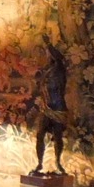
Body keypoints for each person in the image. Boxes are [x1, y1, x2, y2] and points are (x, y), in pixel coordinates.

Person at [29, 35, 69, 176]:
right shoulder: (47, 71)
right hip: (46, 108)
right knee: (40, 134)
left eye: (49, 53)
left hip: (57, 108)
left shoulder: (60, 68)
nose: (47, 55)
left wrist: (48, 43)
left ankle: (58, 163)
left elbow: (58, 58)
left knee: (58, 136)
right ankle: (39, 163)